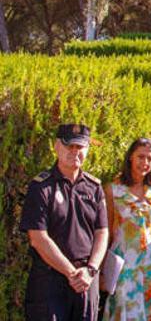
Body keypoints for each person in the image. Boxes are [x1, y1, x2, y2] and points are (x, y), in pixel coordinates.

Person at [20, 123, 109, 321]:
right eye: (69, 146)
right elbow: (38, 238)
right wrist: (71, 274)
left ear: (87, 149)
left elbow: (102, 232)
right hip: (50, 281)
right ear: (56, 146)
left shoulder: (94, 187)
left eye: (80, 147)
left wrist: (91, 270)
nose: (75, 152)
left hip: (86, 279)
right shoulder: (41, 187)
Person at [103, 137, 151, 320]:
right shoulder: (113, 190)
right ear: (130, 158)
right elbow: (108, 231)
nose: (145, 163)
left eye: (150, 159)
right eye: (141, 157)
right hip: (125, 266)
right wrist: (103, 268)